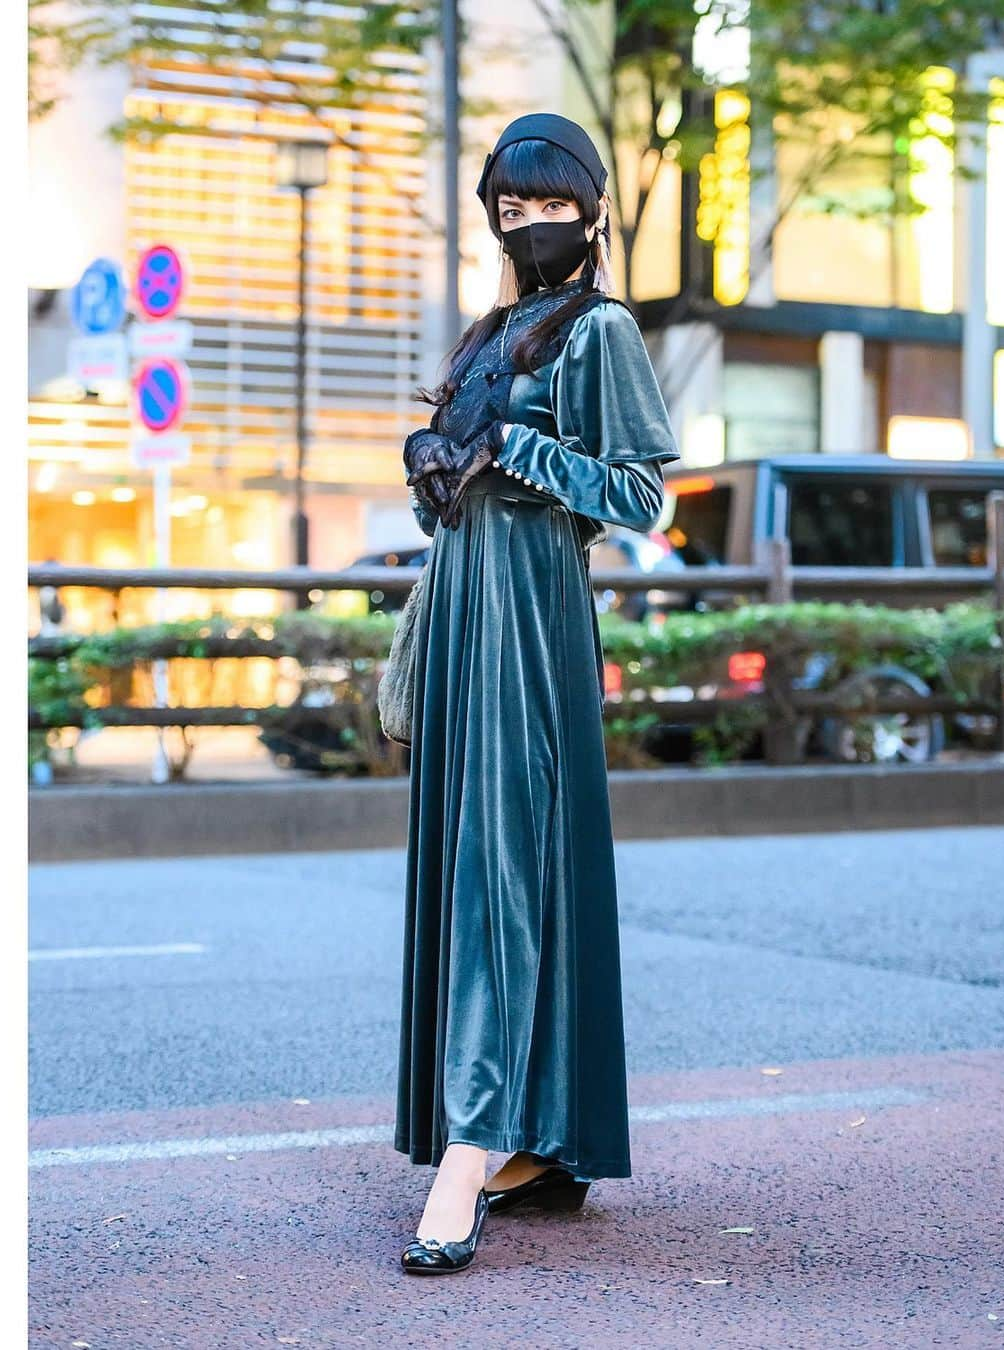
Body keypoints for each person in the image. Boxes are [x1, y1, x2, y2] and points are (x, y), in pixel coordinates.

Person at [395, 112, 681, 1274]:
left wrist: (519, 453)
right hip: (465, 604)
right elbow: (455, 489)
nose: (527, 226)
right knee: (484, 859)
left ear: (591, 210)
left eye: (547, 206)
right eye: (509, 211)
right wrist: (433, 469)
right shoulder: (489, 332)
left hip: (531, 615)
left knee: (503, 860)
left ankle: (475, 1144)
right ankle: (537, 1140)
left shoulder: (601, 327)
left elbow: (641, 496)